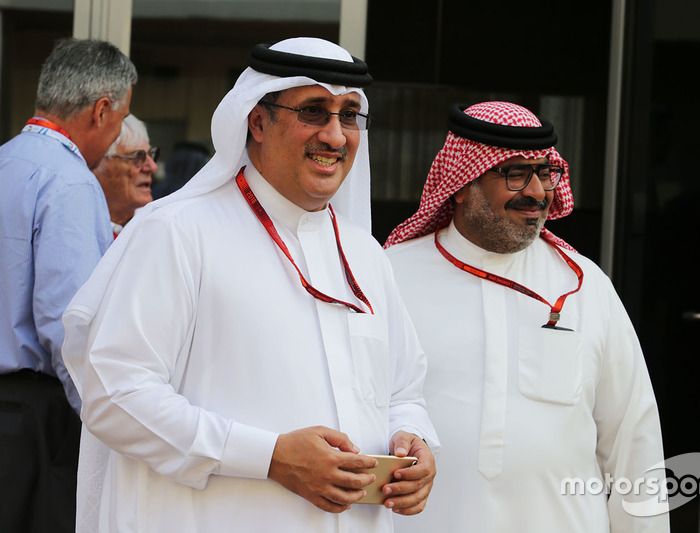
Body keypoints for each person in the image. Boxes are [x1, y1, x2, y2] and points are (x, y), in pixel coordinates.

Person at [61, 37, 439, 532]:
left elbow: (404, 391)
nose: (335, 135)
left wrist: (412, 438)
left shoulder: (364, 254)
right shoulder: (178, 232)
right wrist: (270, 457)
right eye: (313, 111)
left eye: (349, 115)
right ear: (257, 122)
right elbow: (115, 395)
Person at [384, 101, 667, 531]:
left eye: (545, 172)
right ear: (461, 183)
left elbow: (634, 440)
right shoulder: (389, 275)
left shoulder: (584, 285)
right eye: (515, 173)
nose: (536, 192)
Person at [0, 38, 136, 533]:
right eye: (121, 120)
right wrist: (104, 426)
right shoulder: (71, 182)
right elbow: (68, 326)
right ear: (101, 111)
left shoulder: (6, 160)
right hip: (30, 418)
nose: (117, 136)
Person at [93, 114, 159, 236]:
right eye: (137, 157)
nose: (153, 167)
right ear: (96, 164)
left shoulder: (161, 226)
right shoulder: (72, 224)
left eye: (151, 154)